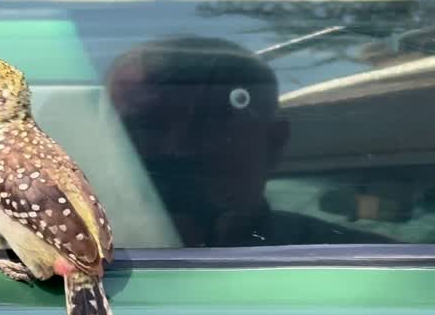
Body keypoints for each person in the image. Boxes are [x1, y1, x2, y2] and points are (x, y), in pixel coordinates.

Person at [104, 35, 390, 247]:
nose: (178, 148)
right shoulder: (65, 271)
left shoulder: (373, 266)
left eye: (210, 123)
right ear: (102, 138)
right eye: (145, 124)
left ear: (274, 142)